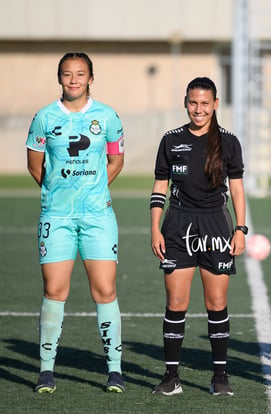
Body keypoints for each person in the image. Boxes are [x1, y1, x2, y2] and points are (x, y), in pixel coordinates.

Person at [26, 52, 125, 394]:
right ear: (60, 78)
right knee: (55, 290)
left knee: (105, 290)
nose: (73, 80)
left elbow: (116, 160)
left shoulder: (108, 116)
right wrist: (59, 193)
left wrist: (92, 189)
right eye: (67, 74)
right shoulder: (43, 118)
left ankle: (114, 371)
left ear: (90, 79)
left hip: (98, 216)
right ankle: (46, 371)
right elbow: (35, 165)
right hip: (57, 216)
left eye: (80, 74)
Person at [150, 77, 247, 396]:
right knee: (175, 302)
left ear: (216, 104)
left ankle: (220, 377)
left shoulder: (229, 142)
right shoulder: (170, 140)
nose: (199, 109)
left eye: (205, 103)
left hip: (216, 227)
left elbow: (237, 189)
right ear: (185, 103)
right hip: (177, 226)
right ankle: (171, 377)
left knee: (216, 302)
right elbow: (160, 186)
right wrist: (155, 227)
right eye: (193, 102)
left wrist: (240, 229)